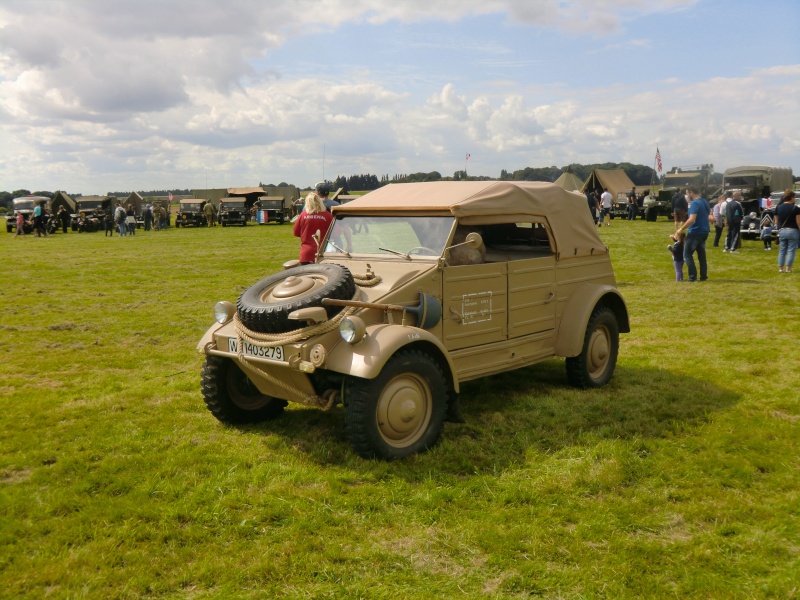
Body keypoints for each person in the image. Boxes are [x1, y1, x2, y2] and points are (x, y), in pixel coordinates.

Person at [675, 186, 712, 282]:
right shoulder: (704, 201)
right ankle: (703, 276)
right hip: (705, 231)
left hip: (695, 231)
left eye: (687, 193)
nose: (687, 196)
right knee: (701, 255)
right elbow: (708, 214)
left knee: (687, 254)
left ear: (691, 192)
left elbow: (691, 219)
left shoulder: (694, 203)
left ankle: (692, 276)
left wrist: (681, 229)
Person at [293, 192, 334, 264]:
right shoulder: (328, 215)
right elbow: (335, 233)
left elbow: (296, 232)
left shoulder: (302, 215)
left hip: (306, 254)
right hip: (323, 253)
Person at [776, 189, 800, 273]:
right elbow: (798, 222)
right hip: (793, 230)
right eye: (794, 197)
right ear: (791, 197)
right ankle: (788, 269)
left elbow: (776, 221)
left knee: (782, 250)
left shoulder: (778, 207)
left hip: (782, 230)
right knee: (791, 250)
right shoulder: (795, 208)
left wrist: (778, 230)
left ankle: (780, 268)